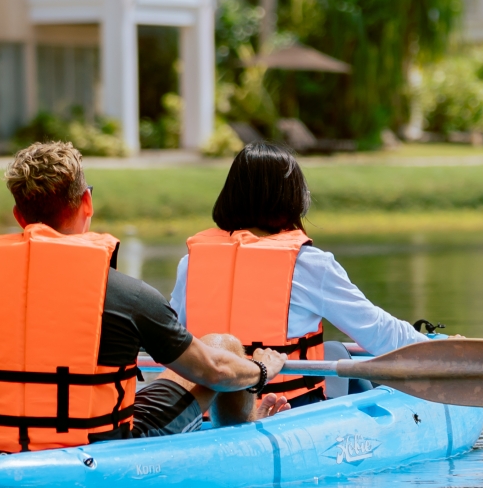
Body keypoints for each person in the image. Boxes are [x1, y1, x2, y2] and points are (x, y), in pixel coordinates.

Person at [0, 141, 286, 452]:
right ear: (86, 202)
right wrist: (261, 368)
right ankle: (248, 430)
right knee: (222, 345)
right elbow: (213, 371)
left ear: (19, 217)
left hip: (4, 440)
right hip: (102, 446)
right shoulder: (129, 296)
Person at [171, 144, 425, 406]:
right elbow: (379, 334)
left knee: (335, 351)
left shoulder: (192, 262)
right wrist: (440, 349)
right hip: (284, 406)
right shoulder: (310, 265)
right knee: (353, 373)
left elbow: (170, 341)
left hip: (205, 410)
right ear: (292, 198)